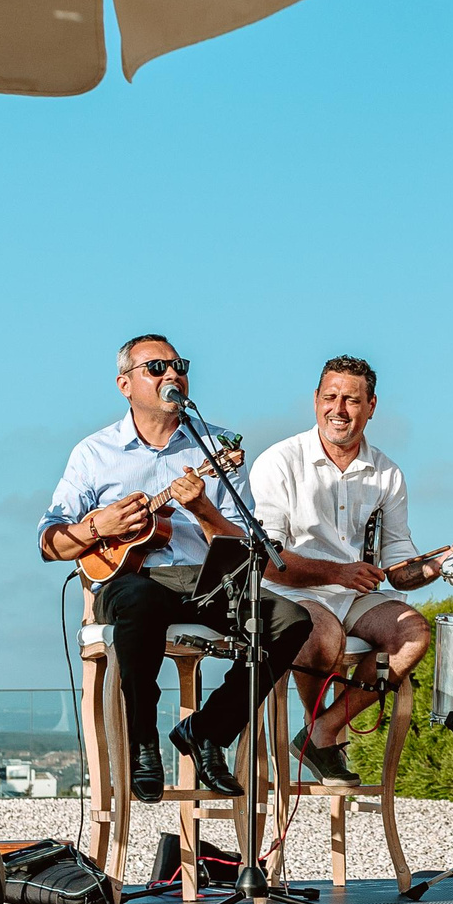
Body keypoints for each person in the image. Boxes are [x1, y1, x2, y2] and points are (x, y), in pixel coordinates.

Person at [39, 335, 312, 802]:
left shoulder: (215, 446)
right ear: (125, 384)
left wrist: (204, 510)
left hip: (208, 580)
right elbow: (50, 542)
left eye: (179, 365)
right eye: (157, 367)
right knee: (140, 603)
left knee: (291, 620)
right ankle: (144, 742)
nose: (172, 374)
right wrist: (96, 526)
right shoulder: (94, 453)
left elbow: (247, 543)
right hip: (131, 580)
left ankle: (207, 731)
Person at [248, 356, 453, 785]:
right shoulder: (279, 461)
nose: (338, 409)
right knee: (322, 633)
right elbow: (267, 560)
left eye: (351, 399)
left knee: (414, 633)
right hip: (293, 595)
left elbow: (399, 565)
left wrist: (435, 567)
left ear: (371, 406)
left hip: (356, 597)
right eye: (330, 397)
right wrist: (337, 573)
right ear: (315, 401)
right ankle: (324, 738)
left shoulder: (388, 473)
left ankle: (322, 733)